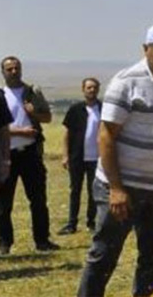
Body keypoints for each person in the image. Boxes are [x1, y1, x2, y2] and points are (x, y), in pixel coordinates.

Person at [78, 23, 153, 297]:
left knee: (152, 256)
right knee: (104, 254)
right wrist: (116, 188)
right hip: (121, 188)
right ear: (146, 49)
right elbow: (106, 136)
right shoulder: (127, 81)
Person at [0, 55, 56, 254]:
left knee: (38, 199)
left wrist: (33, 114)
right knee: (4, 203)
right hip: (7, 154)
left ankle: (42, 241)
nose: (14, 72)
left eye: (17, 68)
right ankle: (4, 243)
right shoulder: (0, 95)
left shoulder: (32, 92)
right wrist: (18, 132)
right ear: (3, 72)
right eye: (9, 69)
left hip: (31, 153)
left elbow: (47, 117)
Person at [59, 77, 103, 235]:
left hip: (97, 159)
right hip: (77, 157)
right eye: (89, 87)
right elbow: (66, 134)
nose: (92, 90)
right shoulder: (75, 109)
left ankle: (91, 222)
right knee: (75, 191)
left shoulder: (103, 109)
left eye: (94, 87)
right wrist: (65, 156)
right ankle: (71, 224)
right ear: (83, 89)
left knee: (94, 192)